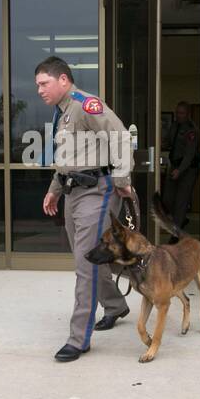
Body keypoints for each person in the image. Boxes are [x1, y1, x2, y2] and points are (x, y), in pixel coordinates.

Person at [36, 56, 136, 363]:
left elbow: (121, 136)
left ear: (63, 80)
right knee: (88, 258)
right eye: (38, 84)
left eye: (44, 83)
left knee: (85, 264)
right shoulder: (62, 112)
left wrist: (121, 179)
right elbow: (67, 159)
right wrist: (54, 190)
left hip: (98, 191)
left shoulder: (86, 104)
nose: (39, 90)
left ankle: (78, 339)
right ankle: (116, 305)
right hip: (73, 193)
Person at [162, 100, 199, 242]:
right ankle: (181, 220)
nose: (179, 115)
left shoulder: (191, 130)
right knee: (167, 199)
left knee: (181, 202)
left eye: (182, 113)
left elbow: (189, 154)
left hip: (187, 169)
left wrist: (179, 170)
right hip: (175, 165)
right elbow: (168, 141)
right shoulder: (175, 126)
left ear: (188, 114)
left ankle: (176, 235)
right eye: (177, 112)